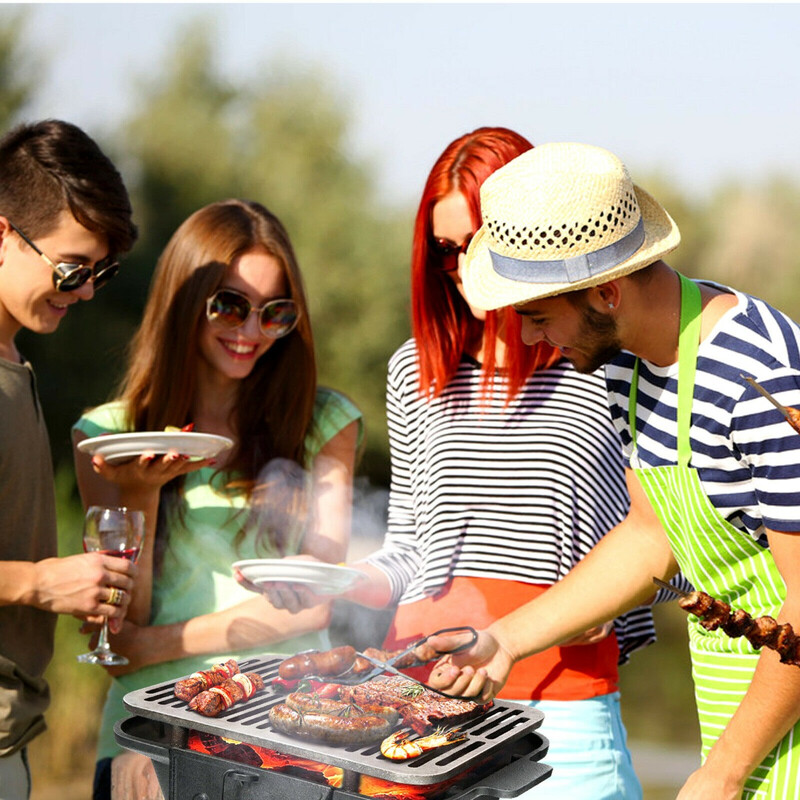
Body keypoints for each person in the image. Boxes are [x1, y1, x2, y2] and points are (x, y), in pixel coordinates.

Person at [262, 128, 683, 799]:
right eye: (444, 250)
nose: (459, 267)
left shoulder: (606, 363)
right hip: (413, 697)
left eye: (475, 243)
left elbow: (672, 549)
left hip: (560, 705)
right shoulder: (415, 372)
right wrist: (333, 583)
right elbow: (410, 553)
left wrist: (612, 603)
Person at [427, 142, 800, 799]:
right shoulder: (626, 364)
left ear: (606, 290)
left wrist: (724, 771)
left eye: (539, 317)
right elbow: (649, 537)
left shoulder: (759, 377)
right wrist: (506, 640)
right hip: (738, 708)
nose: (535, 339)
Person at [71, 198, 362, 800]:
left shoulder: (325, 423)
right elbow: (119, 634)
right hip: (152, 744)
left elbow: (315, 603)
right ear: (184, 301)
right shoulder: (104, 437)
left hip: (292, 740)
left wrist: (156, 647)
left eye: (275, 313)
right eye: (230, 305)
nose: (250, 332)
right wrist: (140, 495)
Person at [0, 119, 138, 800]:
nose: (85, 291)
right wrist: (40, 584)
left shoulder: (14, 363)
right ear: (2, 235)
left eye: (99, 273)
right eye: (71, 268)